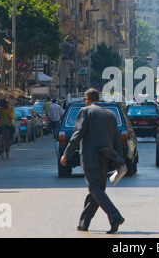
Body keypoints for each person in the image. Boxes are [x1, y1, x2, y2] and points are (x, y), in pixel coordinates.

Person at [60, 88, 125, 234]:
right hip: (106, 158)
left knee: (94, 189)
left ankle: (115, 216)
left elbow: (77, 135)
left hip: (91, 157)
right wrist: (119, 160)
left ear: (87, 99)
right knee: (97, 190)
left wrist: (66, 155)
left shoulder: (85, 111)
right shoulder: (110, 114)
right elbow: (116, 140)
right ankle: (84, 223)